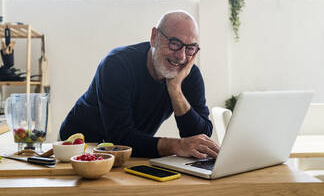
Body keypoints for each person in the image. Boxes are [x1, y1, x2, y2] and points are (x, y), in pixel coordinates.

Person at [60, 10, 220, 158]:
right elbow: (120, 137)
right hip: (78, 146)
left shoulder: (188, 74)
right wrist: (176, 145)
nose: (181, 56)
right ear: (154, 37)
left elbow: (200, 136)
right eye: (174, 43)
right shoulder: (116, 64)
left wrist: (175, 90)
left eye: (190, 48)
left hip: (127, 152)